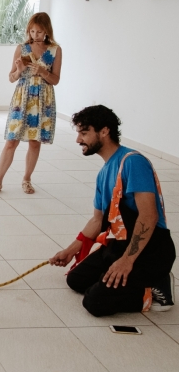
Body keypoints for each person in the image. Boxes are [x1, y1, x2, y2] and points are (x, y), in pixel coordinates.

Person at [49, 105, 175, 316]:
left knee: (95, 302)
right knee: (76, 280)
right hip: (120, 242)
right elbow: (97, 221)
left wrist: (126, 261)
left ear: (104, 131)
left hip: (152, 248)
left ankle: (155, 286)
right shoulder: (104, 173)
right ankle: (125, 279)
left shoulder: (133, 162)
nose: (78, 140)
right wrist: (70, 251)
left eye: (84, 133)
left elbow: (149, 216)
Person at [0, 12, 63, 196]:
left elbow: (56, 80)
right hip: (22, 98)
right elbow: (11, 78)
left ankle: (27, 179)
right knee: (11, 141)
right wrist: (19, 71)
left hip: (43, 99)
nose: (35, 35)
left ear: (47, 31)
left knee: (35, 142)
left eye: (39, 32)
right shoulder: (22, 48)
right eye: (32, 31)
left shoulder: (55, 50)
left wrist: (43, 72)